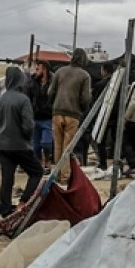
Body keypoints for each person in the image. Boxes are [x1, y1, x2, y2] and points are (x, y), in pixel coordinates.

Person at [0, 66, 44, 215]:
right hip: (20, 145)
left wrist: (2, 133)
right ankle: (24, 202)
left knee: (7, 178)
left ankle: (5, 211)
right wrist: (26, 138)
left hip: (2, 145)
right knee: (36, 172)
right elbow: (28, 125)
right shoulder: (23, 100)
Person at [47, 47, 92, 185]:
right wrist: (82, 110)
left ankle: (56, 175)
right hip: (73, 115)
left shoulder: (59, 72)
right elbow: (85, 98)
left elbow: (50, 92)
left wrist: (54, 105)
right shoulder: (84, 76)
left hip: (57, 112)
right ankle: (65, 177)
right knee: (67, 148)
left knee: (58, 146)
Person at [91, 62, 119, 170]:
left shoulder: (99, 85)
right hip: (116, 116)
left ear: (104, 71)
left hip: (103, 116)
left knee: (100, 140)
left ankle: (103, 163)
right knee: (116, 141)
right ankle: (117, 163)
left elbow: (94, 101)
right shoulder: (118, 84)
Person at [28, 61, 55, 167]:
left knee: (46, 142)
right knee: (36, 144)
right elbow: (30, 96)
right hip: (36, 116)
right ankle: (38, 162)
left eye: (38, 68)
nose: (36, 71)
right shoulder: (33, 82)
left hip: (47, 117)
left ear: (44, 69)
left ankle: (47, 160)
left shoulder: (52, 83)